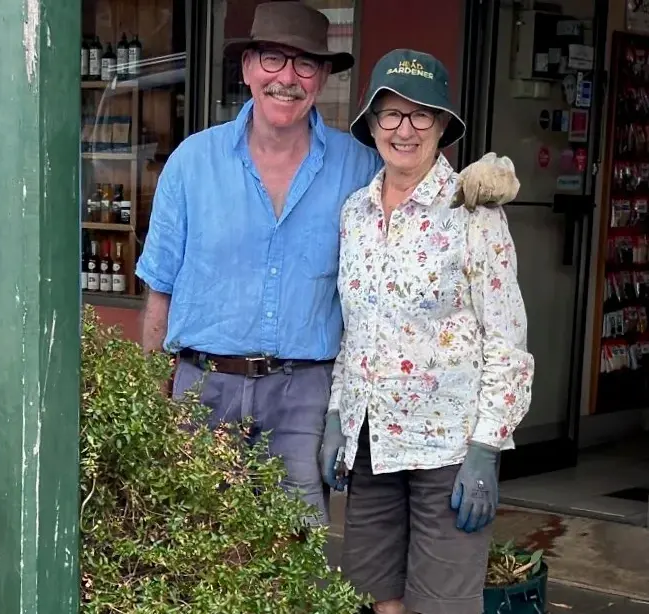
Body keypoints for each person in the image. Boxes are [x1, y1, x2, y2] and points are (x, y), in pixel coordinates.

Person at [135, 0, 519, 528]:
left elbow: (419, 173)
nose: (287, 79)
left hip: (303, 399)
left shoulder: (359, 166)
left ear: (321, 79)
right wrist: (152, 393)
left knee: (295, 555)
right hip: (203, 390)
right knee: (193, 548)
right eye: (272, 59)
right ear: (247, 68)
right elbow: (159, 289)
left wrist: (483, 174)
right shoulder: (190, 162)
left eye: (305, 64)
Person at [319, 48, 533, 614]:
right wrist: (340, 417)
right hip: (372, 443)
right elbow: (354, 328)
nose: (405, 129)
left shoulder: (474, 214)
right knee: (377, 599)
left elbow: (507, 342)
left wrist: (488, 447)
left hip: (448, 449)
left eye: (422, 115)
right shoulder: (355, 215)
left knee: (440, 605)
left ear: (442, 126)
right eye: (390, 114)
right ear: (371, 123)